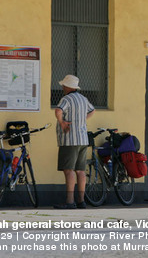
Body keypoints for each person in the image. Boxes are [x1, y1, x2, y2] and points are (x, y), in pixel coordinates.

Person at [54, 74, 95, 209]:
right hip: (83, 139)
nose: (62, 87)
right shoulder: (83, 99)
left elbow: (58, 110)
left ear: (67, 86)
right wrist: (81, 121)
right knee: (80, 170)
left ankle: (70, 201)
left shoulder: (66, 99)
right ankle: (81, 201)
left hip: (69, 139)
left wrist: (62, 122)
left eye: (63, 85)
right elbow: (92, 110)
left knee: (69, 170)